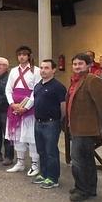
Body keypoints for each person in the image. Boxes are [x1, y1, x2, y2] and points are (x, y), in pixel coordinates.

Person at [67, 53, 102, 201]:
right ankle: (89, 188)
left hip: (86, 129)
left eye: (80, 64)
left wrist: (100, 126)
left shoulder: (92, 80)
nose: (77, 66)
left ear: (89, 65)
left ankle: (82, 190)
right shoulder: (75, 80)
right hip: (76, 127)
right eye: (75, 64)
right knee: (87, 160)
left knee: (78, 160)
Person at [5, 46, 41, 176]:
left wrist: (26, 107)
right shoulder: (13, 71)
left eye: (24, 54)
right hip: (14, 108)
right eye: (19, 54)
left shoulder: (36, 71)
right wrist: (12, 104)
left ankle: (35, 164)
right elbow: (8, 89)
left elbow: (36, 90)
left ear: (29, 56)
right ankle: (20, 163)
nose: (21, 57)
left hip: (29, 109)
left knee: (31, 137)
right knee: (17, 137)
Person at [31, 59, 66, 189]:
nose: (43, 70)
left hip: (51, 123)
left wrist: (59, 121)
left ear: (53, 70)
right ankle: (44, 174)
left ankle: (53, 178)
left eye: (46, 68)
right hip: (38, 123)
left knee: (51, 151)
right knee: (41, 150)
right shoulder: (38, 85)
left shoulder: (58, 87)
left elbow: (63, 107)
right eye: (41, 67)